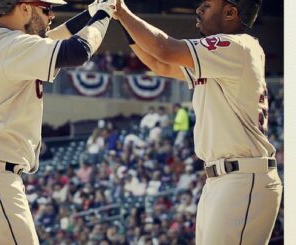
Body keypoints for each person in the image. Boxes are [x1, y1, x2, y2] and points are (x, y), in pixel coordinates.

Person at [0, 0, 116, 244]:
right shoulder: (14, 46)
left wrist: (89, 12)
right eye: (46, 9)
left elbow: (50, 38)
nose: (52, 14)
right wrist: (103, 15)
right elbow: (77, 51)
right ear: (24, 8)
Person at [113, 0, 282, 244]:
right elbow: (159, 64)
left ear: (230, 12)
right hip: (224, 180)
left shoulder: (235, 46)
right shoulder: (222, 56)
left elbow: (165, 49)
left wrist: (121, 10)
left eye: (207, 4)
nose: (199, 9)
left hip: (243, 177)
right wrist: (121, 21)